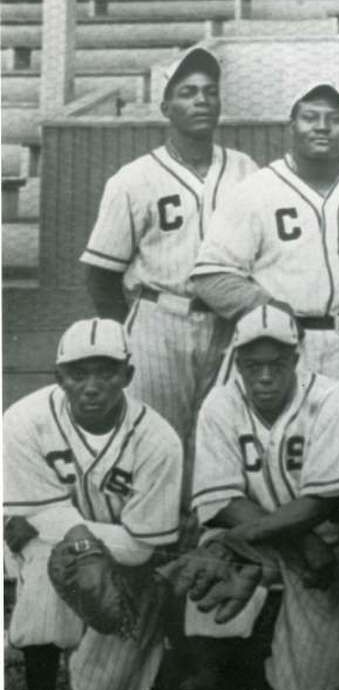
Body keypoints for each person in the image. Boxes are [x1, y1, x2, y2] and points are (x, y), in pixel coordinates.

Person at [3, 319, 183, 690]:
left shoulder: (158, 438)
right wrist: (73, 536)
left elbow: (143, 546)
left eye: (105, 372)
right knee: (50, 556)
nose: (91, 386)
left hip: (128, 565)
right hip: (57, 547)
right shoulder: (24, 420)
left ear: (128, 374)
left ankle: (149, 643)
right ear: (58, 375)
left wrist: (73, 531)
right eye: (78, 373)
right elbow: (25, 520)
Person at [80, 47, 257, 478]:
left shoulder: (245, 170)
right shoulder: (134, 178)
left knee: (221, 435)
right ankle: (157, 532)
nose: (201, 100)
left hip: (227, 320)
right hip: (161, 316)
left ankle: (209, 531)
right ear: (166, 107)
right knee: (154, 436)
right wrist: (131, 331)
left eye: (209, 92)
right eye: (188, 92)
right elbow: (101, 273)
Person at [187, 306, 339, 690]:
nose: (264, 376)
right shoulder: (220, 403)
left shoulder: (331, 397)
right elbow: (222, 500)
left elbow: (324, 498)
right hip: (275, 538)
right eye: (253, 365)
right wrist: (299, 541)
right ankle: (226, 671)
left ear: (296, 360)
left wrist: (300, 540)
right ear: (238, 363)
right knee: (215, 563)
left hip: (321, 538)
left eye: (276, 364)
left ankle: (284, 647)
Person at [191, 82, 339, 401]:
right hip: (281, 344)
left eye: (336, 119)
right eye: (310, 117)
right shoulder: (254, 191)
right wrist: (268, 308)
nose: (323, 127)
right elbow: (210, 276)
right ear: (292, 126)